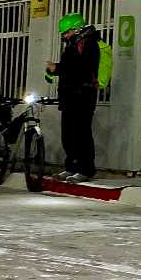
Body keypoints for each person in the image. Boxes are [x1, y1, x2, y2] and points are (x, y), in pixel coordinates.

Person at [44, 13, 111, 183]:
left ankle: (86, 170)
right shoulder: (73, 45)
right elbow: (69, 67)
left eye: (67, 32)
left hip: (83, 97)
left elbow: (82, 70)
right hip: (69, 97)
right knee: (68, 135)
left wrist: (58, 68)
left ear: (77, 29)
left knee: (82, 134)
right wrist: (55, 70)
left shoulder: (90, 45)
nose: (65, 36)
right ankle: (71, 167)